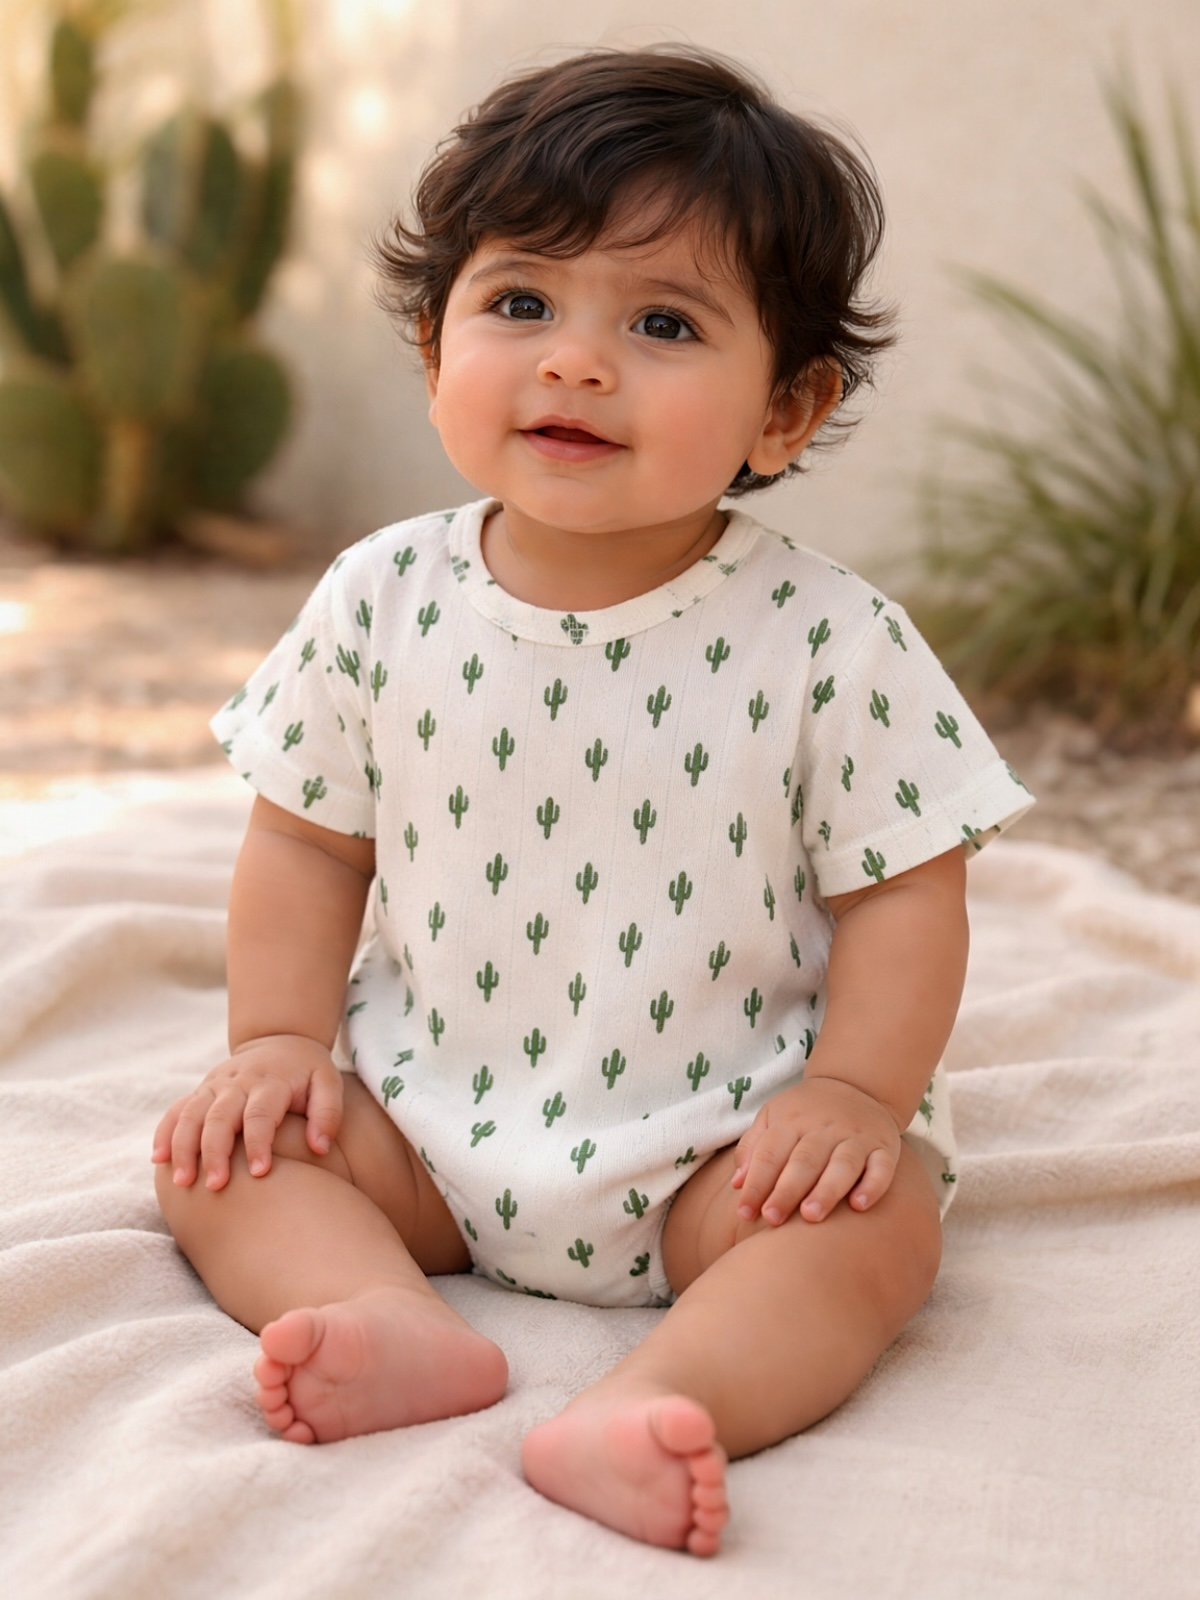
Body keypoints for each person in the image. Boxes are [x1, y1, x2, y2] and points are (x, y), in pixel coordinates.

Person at [153, 46, 1033, 1557]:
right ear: (433, 343)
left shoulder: (830, 640)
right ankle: (380, 1310)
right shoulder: (380, 596)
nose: (574, 362)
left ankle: (662, 1396)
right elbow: (306, 840)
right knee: (220, 1161)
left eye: (663, 324)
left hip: (729, 1148)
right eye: (520, 303)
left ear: (785, 411)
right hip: (426, 1123)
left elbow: (905, 891)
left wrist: (852, 1096)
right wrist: (280, 1043)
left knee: (874, 1230)